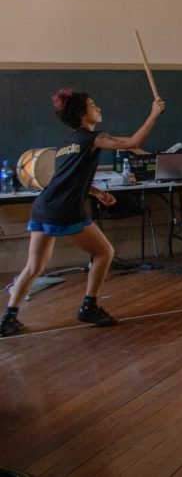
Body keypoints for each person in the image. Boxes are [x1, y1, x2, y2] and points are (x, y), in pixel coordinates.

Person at [1, 90, 165, 337]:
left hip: (43, 206)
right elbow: (132, 143)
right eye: (92, 105)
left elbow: (67, 178)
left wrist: (97, 192)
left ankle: (8, 318)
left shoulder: (69, 141)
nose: (98, 107)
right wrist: (154, 114)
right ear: (82, 114)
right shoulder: (92, 138)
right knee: (104, 252)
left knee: (34, 266)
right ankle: (89, 306)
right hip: (65, 211)